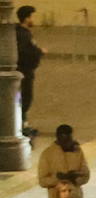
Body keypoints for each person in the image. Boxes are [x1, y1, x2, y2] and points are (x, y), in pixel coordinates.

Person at [36, 124, 89, 198]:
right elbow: (42, 180)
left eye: (69, 139)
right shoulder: (47, 154)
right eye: (64, 141)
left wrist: (75, 178)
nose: (68, 143)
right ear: (58, 138)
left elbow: (86, 175)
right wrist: (58, 179)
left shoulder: (77, 152)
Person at [16, 5, 42, 137]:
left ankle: (23, 123)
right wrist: (39, 52)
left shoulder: (21, 32)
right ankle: (20, 125)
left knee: (22, 99)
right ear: (26, 18)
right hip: (24, 71)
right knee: (24, 99)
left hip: (24, 71)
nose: (33, 20)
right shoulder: (23, 34)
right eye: (32, 17)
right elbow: (25, 52)